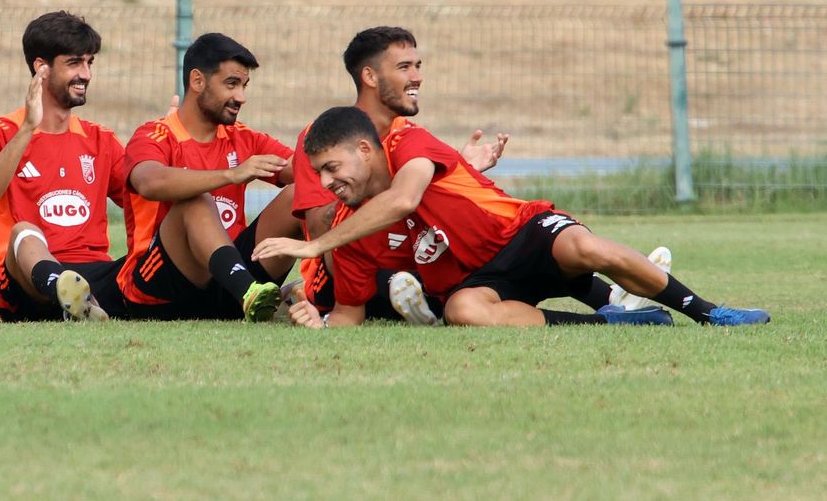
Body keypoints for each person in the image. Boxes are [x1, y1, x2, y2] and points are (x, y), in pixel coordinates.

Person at [256, 105, 771, 328]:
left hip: (520, 233)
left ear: (366, 150)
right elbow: (349, 315)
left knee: (586, 248)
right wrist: (319, 323)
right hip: (482, 280)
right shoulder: (348, 231)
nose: (326, 182)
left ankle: (709, 313)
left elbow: (404, 200)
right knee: (463, 313)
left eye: (332, 168)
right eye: (318, 173)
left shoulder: (407, 141)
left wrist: (312, 245)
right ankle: (615, 322)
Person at [118, 33, 296, 322]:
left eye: (244, 86)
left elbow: (299, 169)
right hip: (159, 290)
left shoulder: (243, 137)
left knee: (300, 194)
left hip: (226, 290)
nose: (241, 97)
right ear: (198, 81)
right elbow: (149, 182)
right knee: (196, 200)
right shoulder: (153, 135)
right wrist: (231, 175)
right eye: (231, 84)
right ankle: (250, 292)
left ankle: (331, 298)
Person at [0, 12, 128, 321]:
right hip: (25, 283)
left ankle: (81, 303)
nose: (86, 74)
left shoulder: (101, 139)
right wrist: (28, 127)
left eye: (89, 63)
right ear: (41, 68)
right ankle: (63, 293)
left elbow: (145, 199)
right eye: (74, 63)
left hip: (92, 274)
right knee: (24, 232)